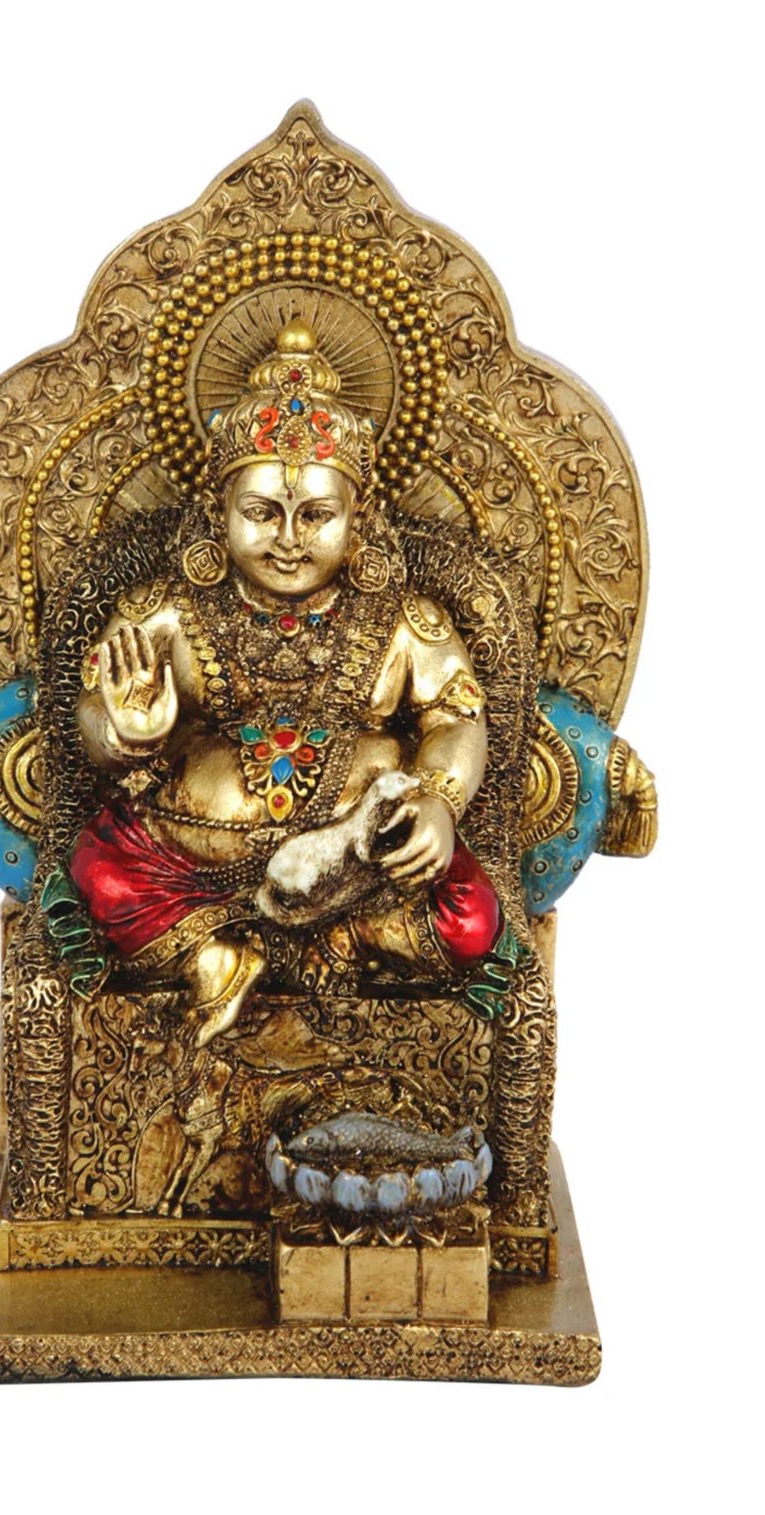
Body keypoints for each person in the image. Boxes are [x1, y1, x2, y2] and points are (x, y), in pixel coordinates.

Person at [70, 319, 501, 1050]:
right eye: (262, 513)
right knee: (97, 866)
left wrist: (438, 802)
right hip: (196, 856)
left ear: (357, 519)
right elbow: (94, 701)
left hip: (360, 865)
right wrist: (127, 734)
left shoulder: (406, 622)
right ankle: (216, 956)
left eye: (317, 515)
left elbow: (456, 716)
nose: (290, 540)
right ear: (221, 514)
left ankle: (338, 939)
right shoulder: (163, 614)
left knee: (471, 918)